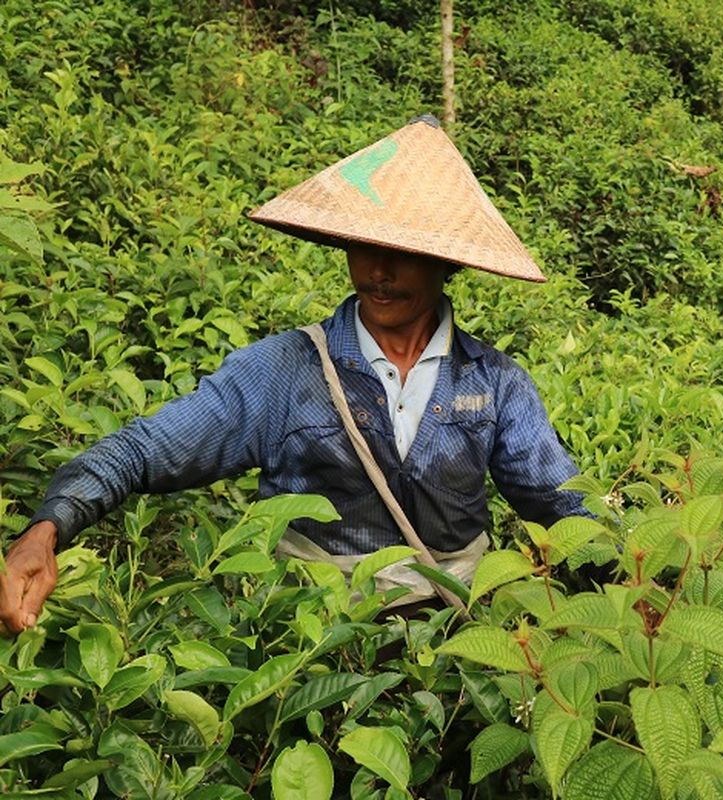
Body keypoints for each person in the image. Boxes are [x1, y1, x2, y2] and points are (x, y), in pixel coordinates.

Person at [0, 115, 586, 634]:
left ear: (448, 261)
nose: (377, 272)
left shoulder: (495, 384)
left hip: (456, 641)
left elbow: (560, 503)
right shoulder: (286, 370)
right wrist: (47, 528)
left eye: (403, 253)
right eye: (362, 247)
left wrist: (642, 570)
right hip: (314, 643)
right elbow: (144, 450)